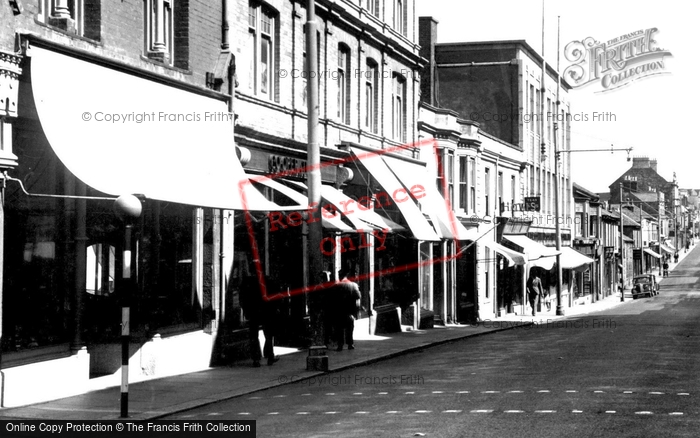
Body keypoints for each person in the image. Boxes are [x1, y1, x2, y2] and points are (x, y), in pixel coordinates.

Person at [239, 276, 280, 367]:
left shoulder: (247, 282)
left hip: (253, 312)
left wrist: (246, 311)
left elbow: (242, 297)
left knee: (253, 335)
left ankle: (256, 359)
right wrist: (274, 308)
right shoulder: (267, 280)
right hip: (266, 311)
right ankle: (269, 356)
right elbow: (275, 295)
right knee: (268, 334)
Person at [334, 268, 361, 351]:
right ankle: (350, 344)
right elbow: (358, 299)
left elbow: (333, 300)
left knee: (340, 329)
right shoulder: (354, 285)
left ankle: (340, 345)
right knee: (350, 328)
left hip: (340, 311)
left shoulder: (337, 286)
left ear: (340, 276)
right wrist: (356, 312)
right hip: (350, 312)